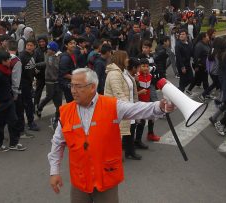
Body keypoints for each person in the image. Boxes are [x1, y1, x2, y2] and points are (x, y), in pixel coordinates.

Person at [48, 68, 174, 202]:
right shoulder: (66, 112)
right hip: (80, 182)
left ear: (92, 87)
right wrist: (54, 171)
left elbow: (137, 109)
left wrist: (160, 107)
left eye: (78, 86)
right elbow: (58, 142)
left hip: (106, 179)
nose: (73, 90)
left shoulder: (112, 105)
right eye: (71, 85)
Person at [104, 50, 141, 160]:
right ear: (121, 59)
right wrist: (131, 107)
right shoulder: (114, 73)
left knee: (128, 129)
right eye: (126, 57)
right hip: (118, 108)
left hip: (125, 106)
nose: (128, 60)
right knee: (117, 134)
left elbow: (129, 88)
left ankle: (128, 152)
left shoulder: (122, 71)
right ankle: (114, 156)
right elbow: (118, 93)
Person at [0, 50, 26, 152]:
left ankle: (14, 143)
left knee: (14, 121)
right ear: (2, 61)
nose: (10, 61)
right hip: (1, 103)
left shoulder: (5, 70)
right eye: (8, 59)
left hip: (9, 100)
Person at [36, 41, 63, 130]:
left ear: (54, 50)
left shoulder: (60, 56)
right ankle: (39, 107)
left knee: (59, 101)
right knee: (49, 96)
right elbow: (47, 64)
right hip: (49, 80)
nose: (48, 50)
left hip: (58, 81)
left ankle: (57, 119)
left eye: (50, 49)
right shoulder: (48, 55)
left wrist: (57, 57)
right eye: (48, 49)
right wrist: (36, 65)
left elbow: (58, 67)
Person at [19, 38, 40, 131]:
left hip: (29, 82)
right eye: (27, 45)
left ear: (35, 47)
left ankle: (29, 121)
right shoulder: (22, 56)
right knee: (27, 104)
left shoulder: (34, 54)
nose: (29, 47)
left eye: (31, 45)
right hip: (22, 84)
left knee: (28, 104)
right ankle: (29, 123)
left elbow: (32, 66)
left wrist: (34, 73)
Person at [58, 36, 77, 103]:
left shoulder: (73, 54)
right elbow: (64, 74)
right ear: (66, 45)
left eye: (74, 43)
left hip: (71, 82)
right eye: (71, 43)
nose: (73, 45)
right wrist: (77, 77)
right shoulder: (65, 58)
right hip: (67, 84)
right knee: (71, 102)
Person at [34, 35, 48, 111]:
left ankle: (41, 105)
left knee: (50, 93)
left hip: (49, 74)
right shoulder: (36, 51)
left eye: (43, 41)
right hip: (40, 75)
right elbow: (34, 63)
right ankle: (36, 105)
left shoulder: (49, 49)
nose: (42, 43)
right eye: (40, 42)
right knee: (38, 91)